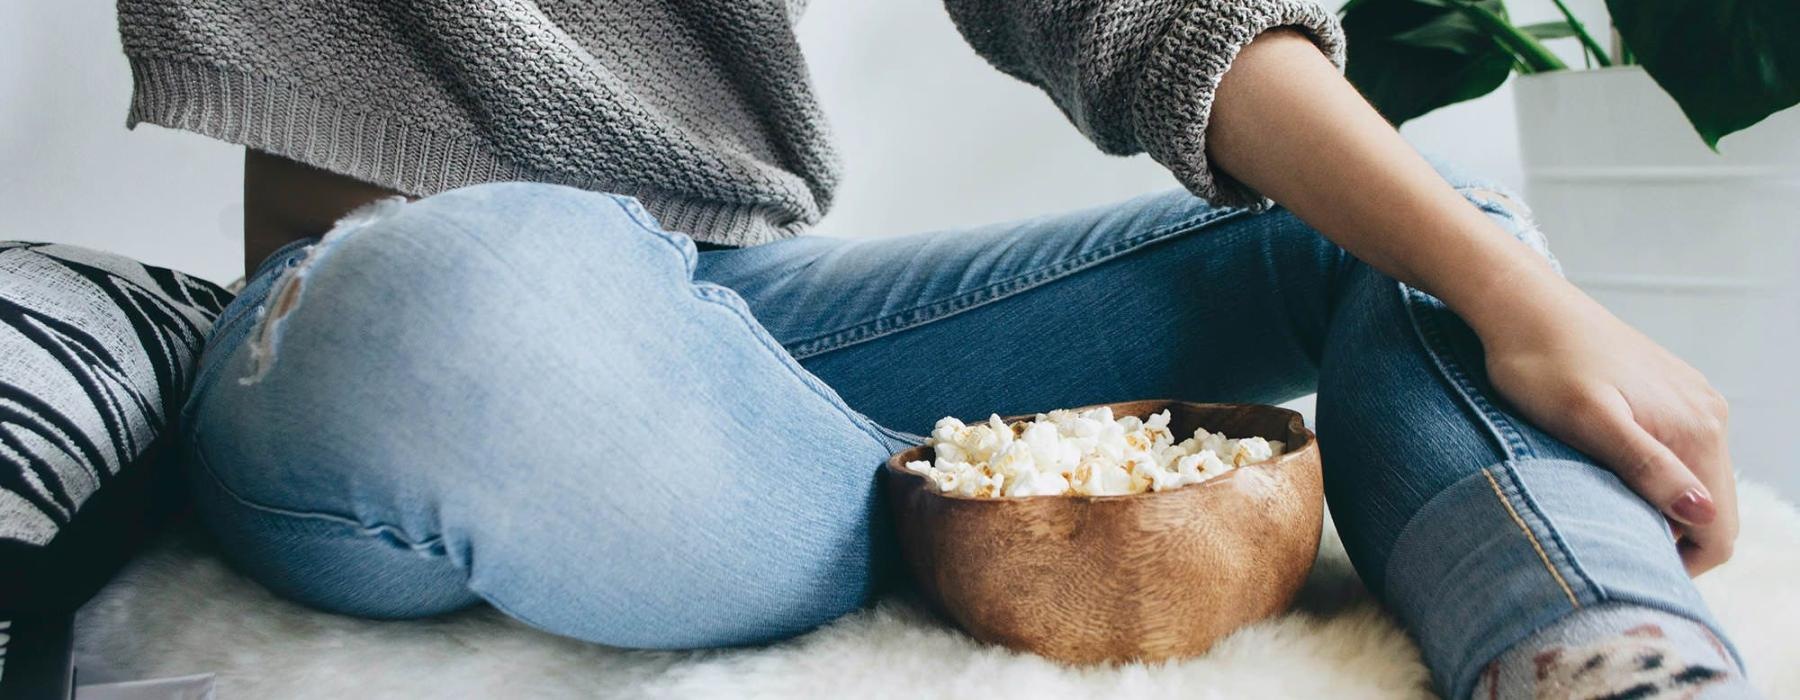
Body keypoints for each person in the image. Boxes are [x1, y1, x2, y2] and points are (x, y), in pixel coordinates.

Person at [118, 1, 1750, 697]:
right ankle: (956, 515)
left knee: (1427, 219)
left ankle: (1596, 649)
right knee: (481, 285)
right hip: (373, 337)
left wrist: (1518, 290)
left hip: (735, 320)